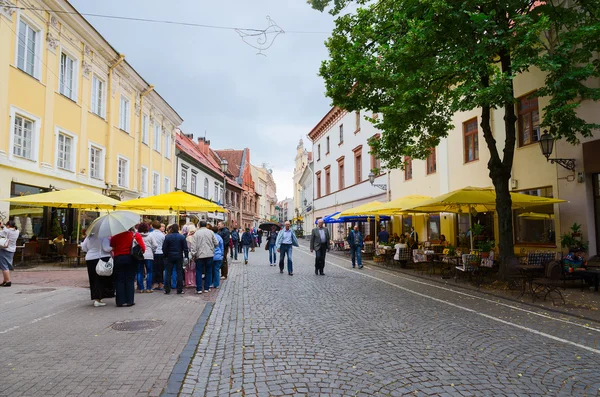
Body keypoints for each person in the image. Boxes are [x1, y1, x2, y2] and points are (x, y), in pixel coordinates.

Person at [110, 228, 146, 307]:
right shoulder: (135, 235)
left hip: (118, 258)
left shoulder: (115, 236)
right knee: (130, 279)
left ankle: (120, 301)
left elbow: (112, 246)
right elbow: (143, 248)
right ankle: (130, 300)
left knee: (119, 279)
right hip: (131, 258)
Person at [81, 232, 113, 306]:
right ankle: (99, 298)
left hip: (90, 258)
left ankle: (96, 297)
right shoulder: (104, 237)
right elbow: (106, 248)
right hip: (100, 258)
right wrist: (113, 247)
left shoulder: (89, 237)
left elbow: (84, 248)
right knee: (101, 279)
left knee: (93, 279)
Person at [191, 221, 218, 294]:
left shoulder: (197, 233)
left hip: (200, 255)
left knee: (199, 271)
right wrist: (212, 248)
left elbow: (193, 245)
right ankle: (206, 287)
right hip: (209, 254)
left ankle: (199, 289)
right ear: (206, 225)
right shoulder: (211, 232)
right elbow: (216, 243)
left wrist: (193, 254)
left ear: (199, 225)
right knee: (208, 271)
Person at [162, 224, 188, 295]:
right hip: (179, 256)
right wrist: (186, 257)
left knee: (168, 273)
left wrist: (165, 255)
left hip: (169, 256)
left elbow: (164, 248)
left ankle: (167, 289)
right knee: (179, 272)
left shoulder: (167, 237)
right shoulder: (182, 237)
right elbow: (185, 248)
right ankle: (179, 289)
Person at [137, 223, 156, 293]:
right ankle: (148, 288)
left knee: (139, 271)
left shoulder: (137, 235)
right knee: (149, 272)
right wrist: (152, 251)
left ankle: (141, 288)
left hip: (139, 255)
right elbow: (155, 245)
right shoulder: (150, 235)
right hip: (149, 255)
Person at [0, 221, 19, 287]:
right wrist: (3, 226)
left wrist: (2, 226)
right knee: (7, 265)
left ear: (8, 225)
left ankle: (8, 281)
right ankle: (5, 281)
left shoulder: (7, 231)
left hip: (5, 249)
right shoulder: (17, 231)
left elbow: (2, 232)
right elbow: (6, 230)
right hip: (12, 250)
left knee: (4, 266)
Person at [150, 221, 166, 291]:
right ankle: (160, 284)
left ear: (152, 226)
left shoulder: (150, 234)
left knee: (153, 269)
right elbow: (164, 244)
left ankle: (153, 284)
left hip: (153, 253)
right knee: (160, 269)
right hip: (161, 253)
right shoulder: (162, 235)